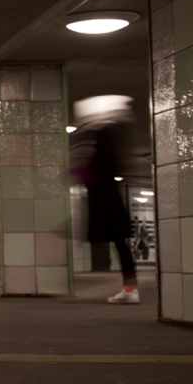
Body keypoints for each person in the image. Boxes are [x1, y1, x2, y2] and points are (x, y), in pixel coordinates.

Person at [71, 95, 139, 304]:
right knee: (120, 244)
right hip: (110, 199)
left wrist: (81, 173)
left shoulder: (104, 137)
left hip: (106, 201)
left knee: (118, 243)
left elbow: (102, 169)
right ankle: (130, 288)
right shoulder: (111, 136)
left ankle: (130, 290)